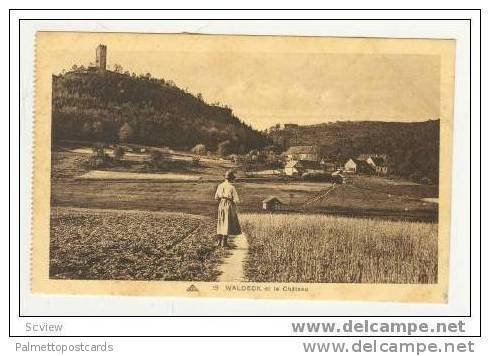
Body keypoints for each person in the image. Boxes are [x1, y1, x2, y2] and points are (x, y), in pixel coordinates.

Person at [214, 170, 241, 248]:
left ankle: (219, 242)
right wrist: (233, 202)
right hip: (229, 204)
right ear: (232, 178)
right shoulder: (232, 187)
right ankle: (224, 243)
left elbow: (216, 197)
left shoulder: (220, 186)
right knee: (227, 222)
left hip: (221, 204)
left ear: (225, 178)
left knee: (220, 221)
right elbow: (236, 200)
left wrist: (222, 200)